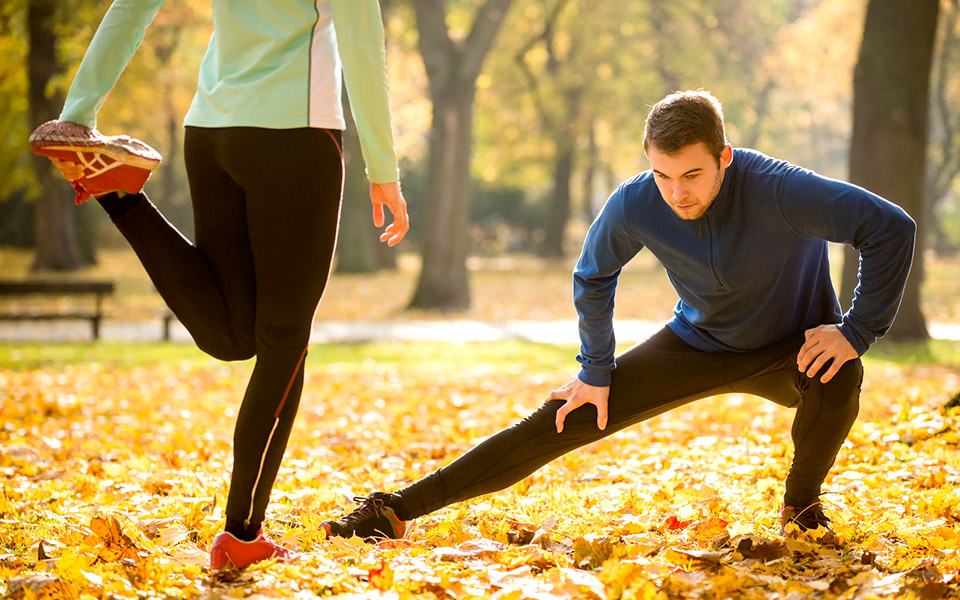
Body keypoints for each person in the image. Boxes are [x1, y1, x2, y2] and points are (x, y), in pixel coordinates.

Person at [320, 89, 916, 541]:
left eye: (692, 175)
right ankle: (393, 511)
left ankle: (802, 506)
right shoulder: (635, 201)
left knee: (842, 373)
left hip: (790, 350)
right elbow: (593, 274)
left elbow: (889, 228)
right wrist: (596, 369)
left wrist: (857, 329)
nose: (677, 193)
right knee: (563, 416)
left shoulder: (783, 190)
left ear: (724, 157)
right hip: (697, 344)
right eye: (663, 174)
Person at [29, 0, 409, 571]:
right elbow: (360, 46)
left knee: (234, 335)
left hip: (211, 134)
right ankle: (241, 534)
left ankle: (117, 192)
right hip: (294, 138)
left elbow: (132, 7)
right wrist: (384, 169)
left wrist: (78, 114)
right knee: (286, 339)